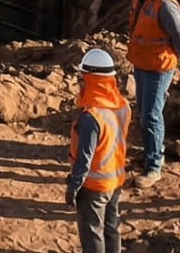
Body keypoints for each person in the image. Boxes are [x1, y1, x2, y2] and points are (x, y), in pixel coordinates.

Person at [124, 0, 180, 186]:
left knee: (152, 114)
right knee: (144, 110)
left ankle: (153, 167)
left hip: (158, 67)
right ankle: (151, 151)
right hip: (142, 64)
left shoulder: (165, 4)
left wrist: (173, 61)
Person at [66, 46, 130, 253]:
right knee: (111, 229)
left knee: (93, 233)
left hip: (94, 186)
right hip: (115, 181)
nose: (80, 83)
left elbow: (84, 158)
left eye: (82, 78)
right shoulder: (122, 106)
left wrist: (74, 186)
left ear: (90, 79)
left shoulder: (91, 117)